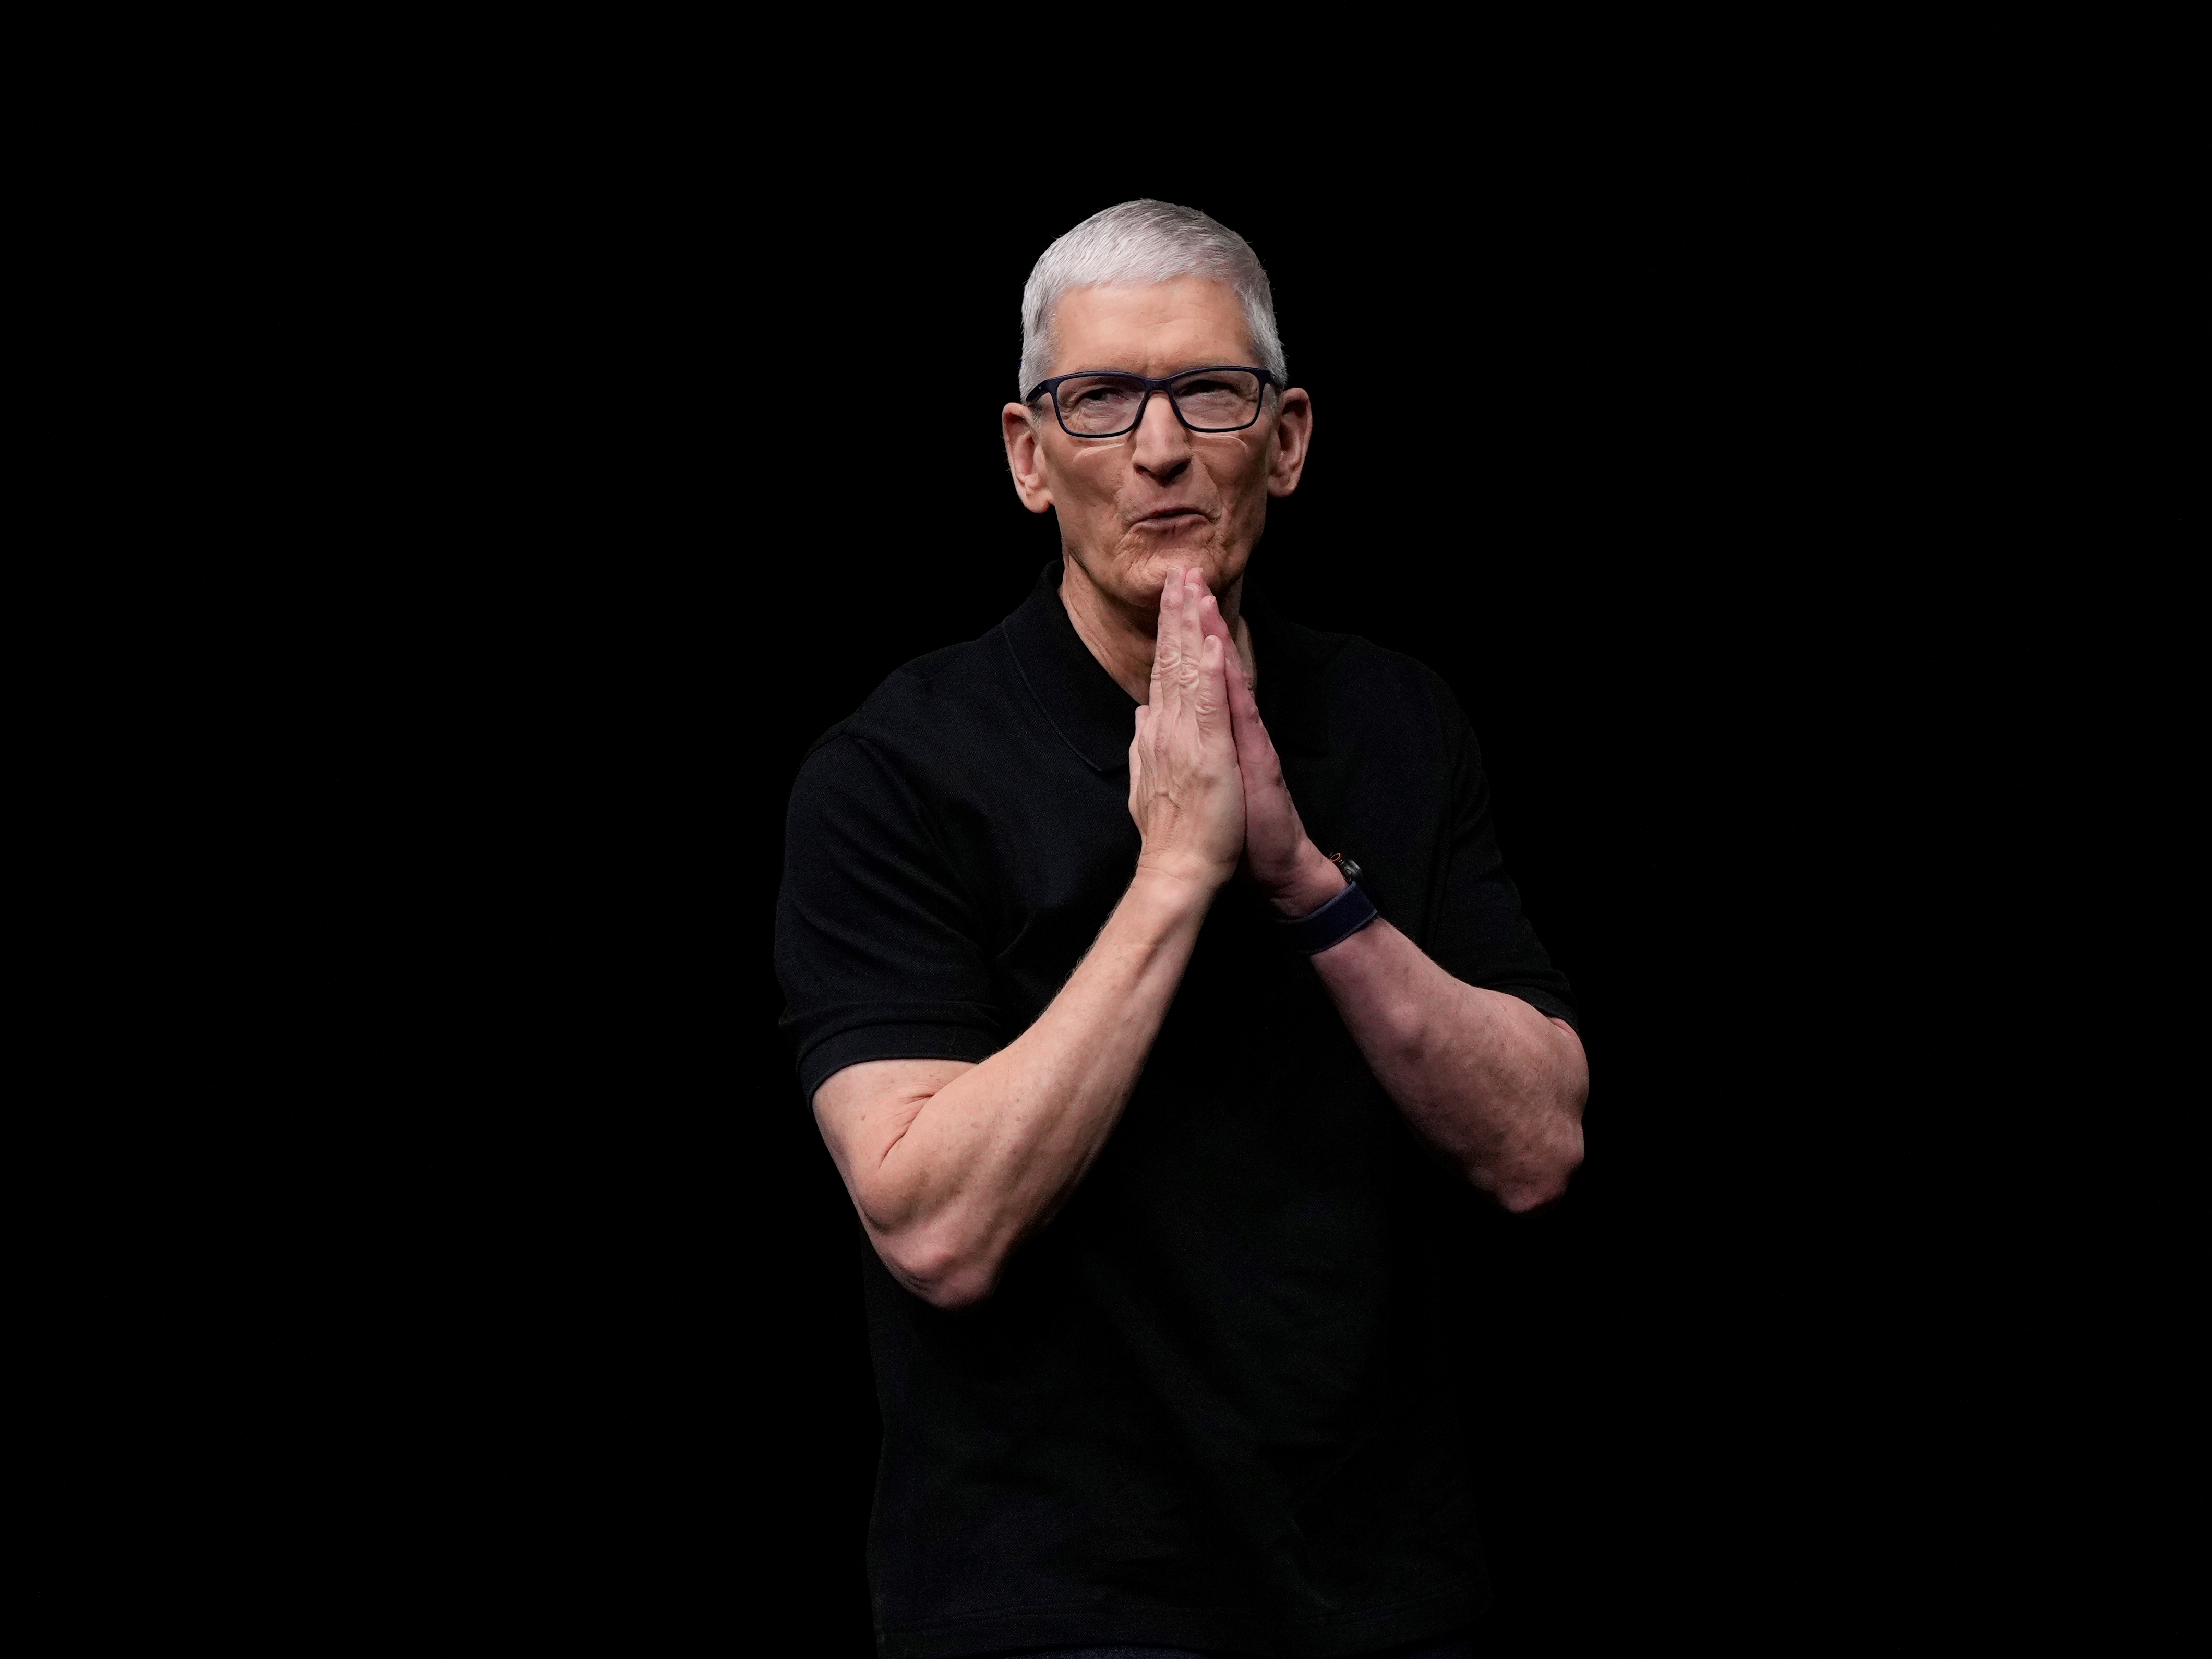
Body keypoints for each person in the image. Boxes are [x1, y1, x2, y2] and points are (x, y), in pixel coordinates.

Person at [776, 199, 1589, 1659]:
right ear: (1030, 455)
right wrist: (1173, 877)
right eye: (1099, 399)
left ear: (1286, 437)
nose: (1160, 448)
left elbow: (1536, 1147)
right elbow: (936, 1225)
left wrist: (1303, 883)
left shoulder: (1400, 721)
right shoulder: (895, 769)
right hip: (1048, 1611)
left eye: (1210, 392)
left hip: (1387, 1599)